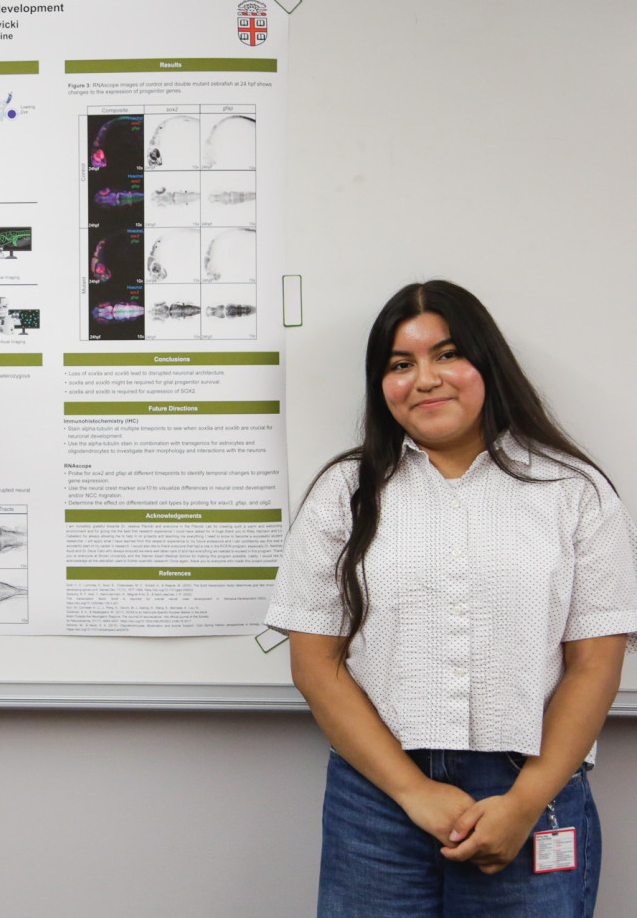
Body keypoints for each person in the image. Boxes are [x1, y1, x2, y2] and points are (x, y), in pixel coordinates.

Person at [265, 280, 637, 918]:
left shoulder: (575, 491)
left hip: (530, 783)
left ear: (486, 365)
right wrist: (414, 792)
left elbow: (594, 665)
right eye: (400, 364)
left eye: (448, 354)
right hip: (378, 792)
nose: (425, 379)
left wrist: (523, 804)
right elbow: (316, 664)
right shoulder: (344, 492)